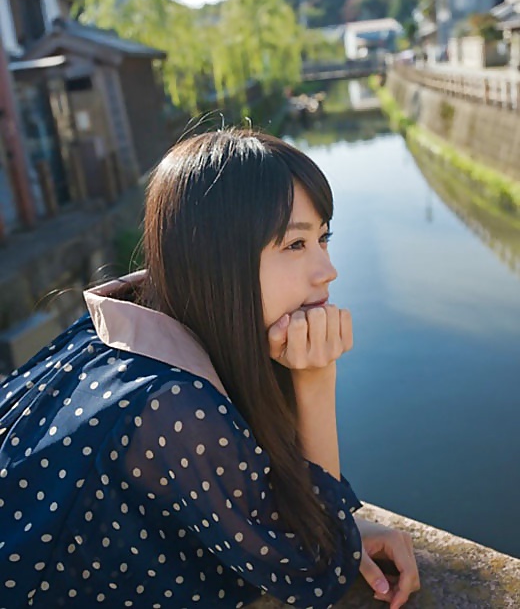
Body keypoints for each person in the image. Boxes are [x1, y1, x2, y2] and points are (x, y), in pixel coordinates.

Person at [0, 130, 420, 608]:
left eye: (323, 237)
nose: (328, 269)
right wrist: (316, 378)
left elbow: (243, 497)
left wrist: (342, 526)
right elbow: (316, 570)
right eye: (295, 244)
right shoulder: (173, 406)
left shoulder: (120, 325)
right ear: (217, 257)